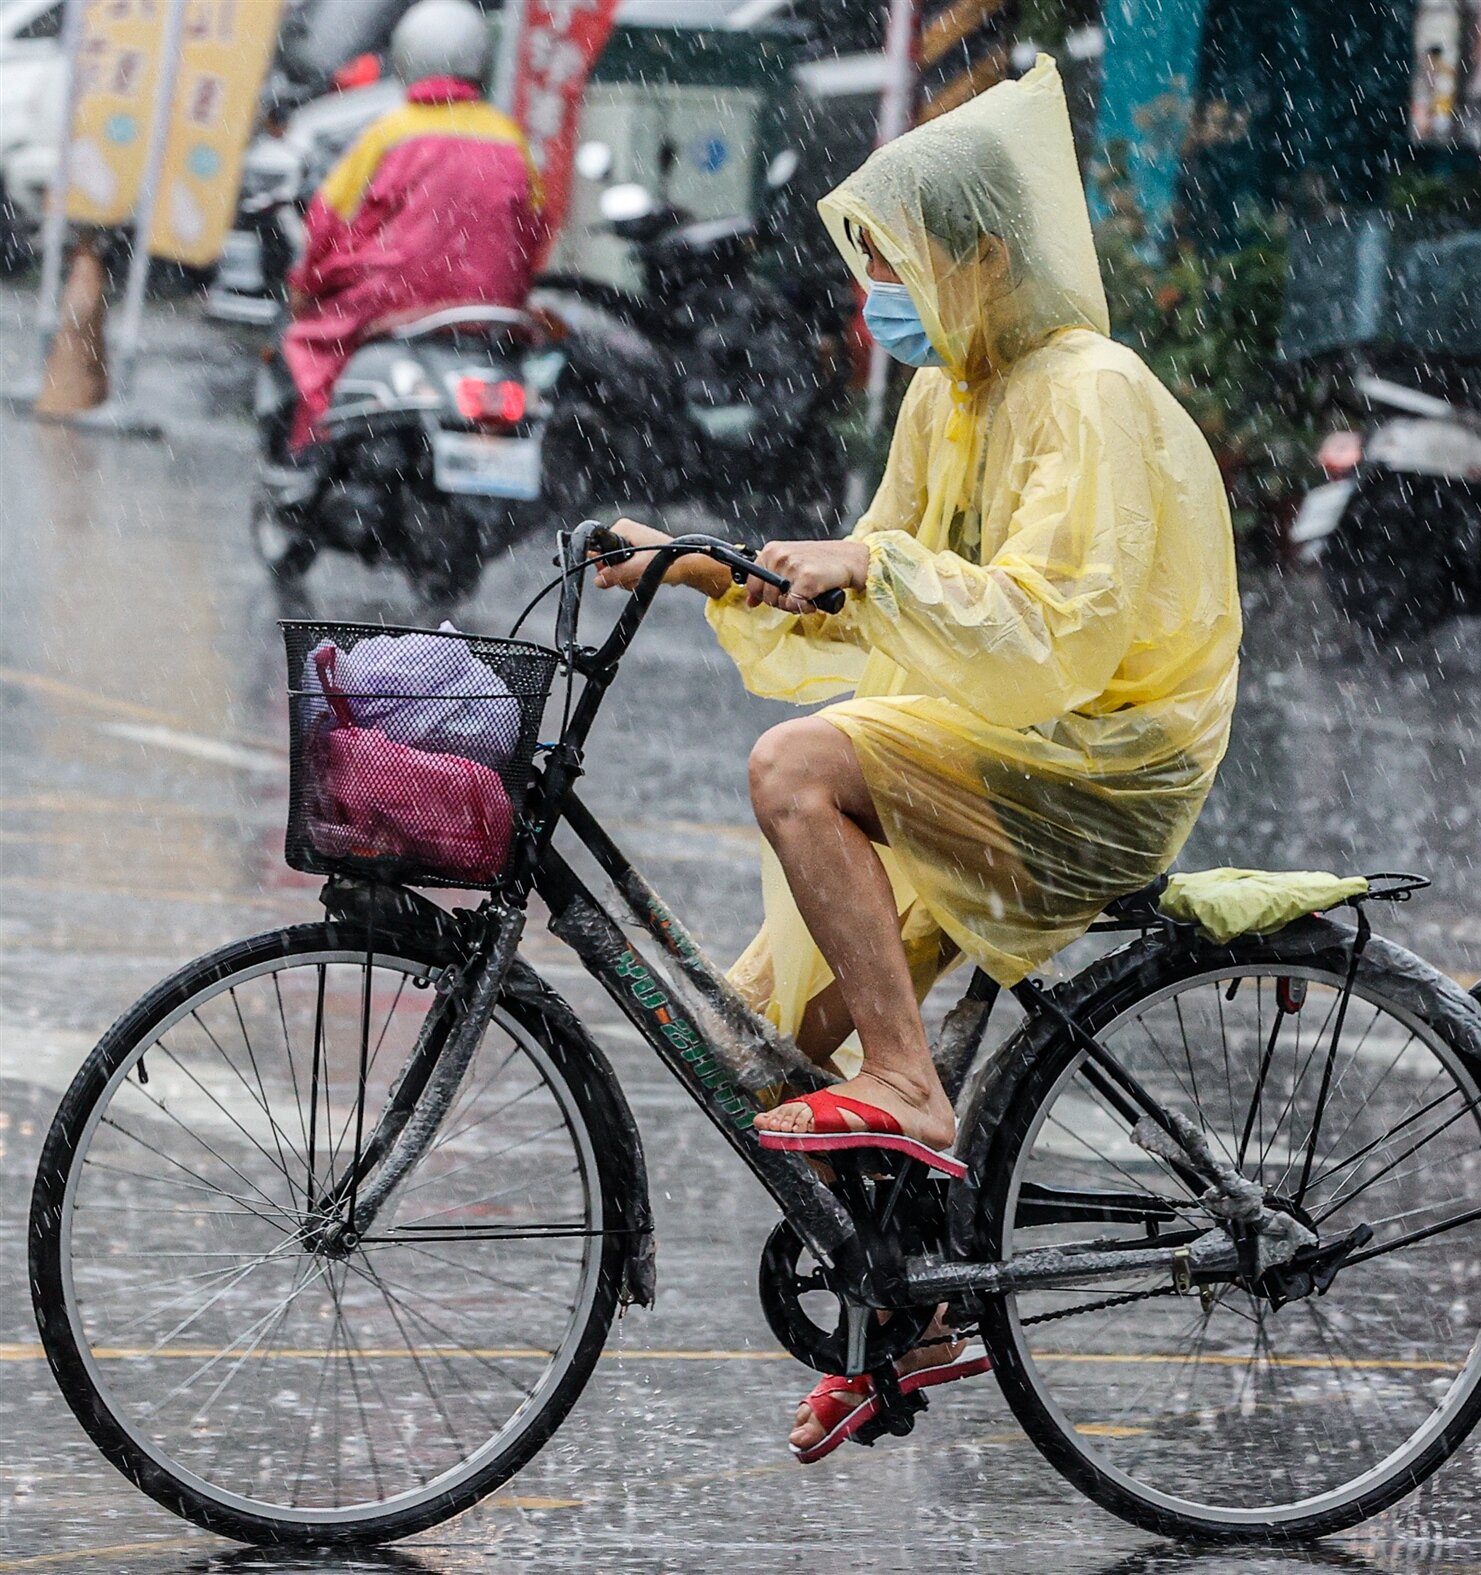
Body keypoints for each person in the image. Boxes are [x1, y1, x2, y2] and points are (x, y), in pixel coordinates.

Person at [595, 56, 1242, 1459]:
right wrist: (698, 564)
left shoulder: (1091, 394)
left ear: (986, 253)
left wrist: (873, 569)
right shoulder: (947, 399)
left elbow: (1047, 633)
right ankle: (911, 1318)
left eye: (903, 259)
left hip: (1093, 763)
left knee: (794, 771)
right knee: (769, 1043)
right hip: (998, 744)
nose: (882, 287)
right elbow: (864, 598)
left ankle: (914, 1077)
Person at [273, 0, 544, 458]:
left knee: (307, 349)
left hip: (393, 303)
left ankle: (309, 457)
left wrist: (306, 286)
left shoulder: (388, 133)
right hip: (490, 312)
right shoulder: (509, 138)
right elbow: (532, 229)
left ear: (406, 55)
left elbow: (327, 225)